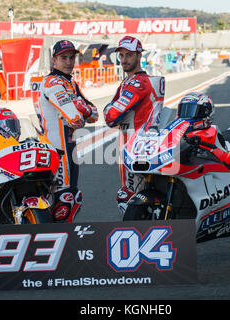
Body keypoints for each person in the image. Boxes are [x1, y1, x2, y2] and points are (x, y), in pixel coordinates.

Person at [34, 39, 98, 222]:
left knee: (70, 197)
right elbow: (76, 120)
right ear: (54, 59)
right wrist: (80, 109)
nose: (69, 62)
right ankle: (54, 241)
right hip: (56, 149)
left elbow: (94, 114)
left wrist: (81, 108)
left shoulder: (70, 83)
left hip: (69, 148)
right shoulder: (52, 82)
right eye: (64, 58)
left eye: (72, 57)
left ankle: (59, 238)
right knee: (65, 199)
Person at [103, 36, 165, 214]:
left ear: (139, 55)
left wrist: (109, 108)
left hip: (136, 147)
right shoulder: (130, 81)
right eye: (121, 55)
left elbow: (110, 116)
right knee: (137, 198)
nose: (124, 60)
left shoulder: (137, 83)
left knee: (131, 198)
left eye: (129, 55)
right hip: (136, 145)